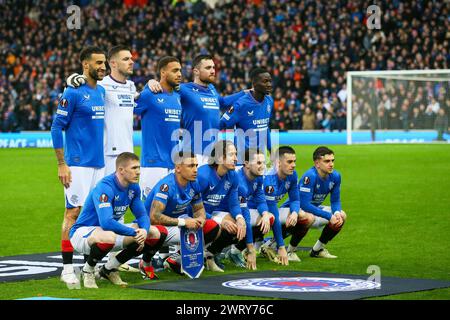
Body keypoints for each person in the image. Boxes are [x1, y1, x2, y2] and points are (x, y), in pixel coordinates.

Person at [51, 46, 107, 289]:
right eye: (98, 63)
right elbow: (56, 127)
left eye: (104, 62)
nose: (103, 66)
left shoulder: (103, 91)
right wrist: (62, 164)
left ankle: (88, 269)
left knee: (93, 215)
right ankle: (66, 269)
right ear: (86, 65)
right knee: (72, 214)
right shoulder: (73, 92)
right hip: (77, 165)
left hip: (99, 164)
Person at [69, 152, 167, 289]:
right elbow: (106, 222)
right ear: (121, 170)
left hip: (109, 233)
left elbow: (142, 215)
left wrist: (143, 231)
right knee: (109, 236)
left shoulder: (133, 187)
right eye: (134, 168)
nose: (138, 172)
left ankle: (109, 269)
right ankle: (88, 270)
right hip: (82, 233)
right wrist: (134, 233)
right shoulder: (105, 187)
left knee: (154, 233)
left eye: (139, 168)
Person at [148, 54, 246, 165]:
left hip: (213, 152)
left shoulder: (212, 89)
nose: (213, 71)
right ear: (196, 71)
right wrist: (151, 82)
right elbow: (163, 88)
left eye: (213, 67)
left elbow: (223, 102)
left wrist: (244, 93)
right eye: (208, 68)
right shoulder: (184, 89)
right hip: (194, 153)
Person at [144, 150, 222, 275]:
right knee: (160, 232)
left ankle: (175, 259)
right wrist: (184, 222)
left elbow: (199, 209)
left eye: (196, 165)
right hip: (153, 227)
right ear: (178, 168)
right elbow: (154, 217)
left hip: (175, 224)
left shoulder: (194, 183)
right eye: (191, 166)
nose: (195, 169)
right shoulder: (166, 186)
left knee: (212, 227)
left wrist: (201, 219)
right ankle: (146, 262)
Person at [66, 45, 137, 176]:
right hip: (108, 153)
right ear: (113, 63)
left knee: (125, 195)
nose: (132, 62)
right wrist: (72, 78)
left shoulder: (131, 86)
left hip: (128, 150)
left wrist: (151, 83)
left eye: (131, 59)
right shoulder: (101, 84)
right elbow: (78, 86)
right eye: (126, 59)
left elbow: (139, 98)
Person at [134, 56, 182, 199]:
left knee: (171, 210)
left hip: (174, 164)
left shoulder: (178, 96)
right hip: (153, 163)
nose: (179, 74)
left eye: (180, 70)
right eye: (175, 70)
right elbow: (127, 109)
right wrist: (147, 83)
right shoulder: (149, 94)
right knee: (150, 210)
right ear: (163, 72)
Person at [196, 140, 247, 271]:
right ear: (219, 157)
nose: (236, 158)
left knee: (238, 226)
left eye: (236, 154)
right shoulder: (203, 176)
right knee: (216, 226)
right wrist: (220, 221)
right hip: (193, 215)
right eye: (232, 154)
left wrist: (240, 218)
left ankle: (209, 256)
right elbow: (193, 208)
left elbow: (234, 203)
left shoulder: (232, 175)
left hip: (210, 214)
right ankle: (186, 255)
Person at [288, 146, 346, 259]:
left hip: (314, 211)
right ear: (317, 163)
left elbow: (335, 200)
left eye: (332, 160)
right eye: (327, 161)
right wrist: (329, 216)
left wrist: (337, 213)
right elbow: (304, 204)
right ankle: (290, 251)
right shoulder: (310, 176)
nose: (331, 164)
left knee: (342, 216)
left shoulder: (336, 176)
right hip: (295, 211)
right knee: (308, 218)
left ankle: (317, 250)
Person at [232, 148, 274, 270]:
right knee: (242, 223)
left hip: (239, 211)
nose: (263, 167)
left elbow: (260, 199)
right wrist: (251, 250)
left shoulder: (258, 177)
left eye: (264, 163)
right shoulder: (240, 182)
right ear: (246, 164)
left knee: (269, 218)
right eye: (259, 163)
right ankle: (212, 253)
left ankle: (235, 251)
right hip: (227, 212)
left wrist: (265, 214)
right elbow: (245, 215)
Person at [258, 146, 301, 266]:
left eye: (294, 161)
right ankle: (240, 248)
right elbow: (273, 212)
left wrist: (294, 213)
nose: (293, 165)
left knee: (302, 216)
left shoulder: (292, 175)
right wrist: (281, 247)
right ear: (278, 163)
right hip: (256, 211)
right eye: (289, 162)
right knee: (270, 217)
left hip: (268, 212)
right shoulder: (269, 180)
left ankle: (268, 245)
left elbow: (295, 199)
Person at [219, 68, 273, 162]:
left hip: (260, 160)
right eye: (265, 81)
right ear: (254, 83)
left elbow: (265, 127)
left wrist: (271, 150)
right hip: (243, 162)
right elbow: (221, 124)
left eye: (269, 81)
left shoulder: (269, 101)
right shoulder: (241, 105)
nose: (269, 85)